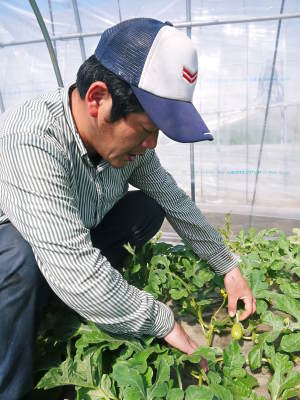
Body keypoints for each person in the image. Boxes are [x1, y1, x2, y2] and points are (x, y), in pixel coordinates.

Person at [0, 18, 256, 400]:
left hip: (72, 240)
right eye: (146, 128)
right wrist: (162, 320)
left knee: (149, 205)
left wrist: (228, 266)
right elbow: (73, 265)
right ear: (97, 99)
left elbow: (174, 199)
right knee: (19, 256)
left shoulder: (128, 146)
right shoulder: (32, 139)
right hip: (19, 253)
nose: (151, 144)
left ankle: (75, 301)